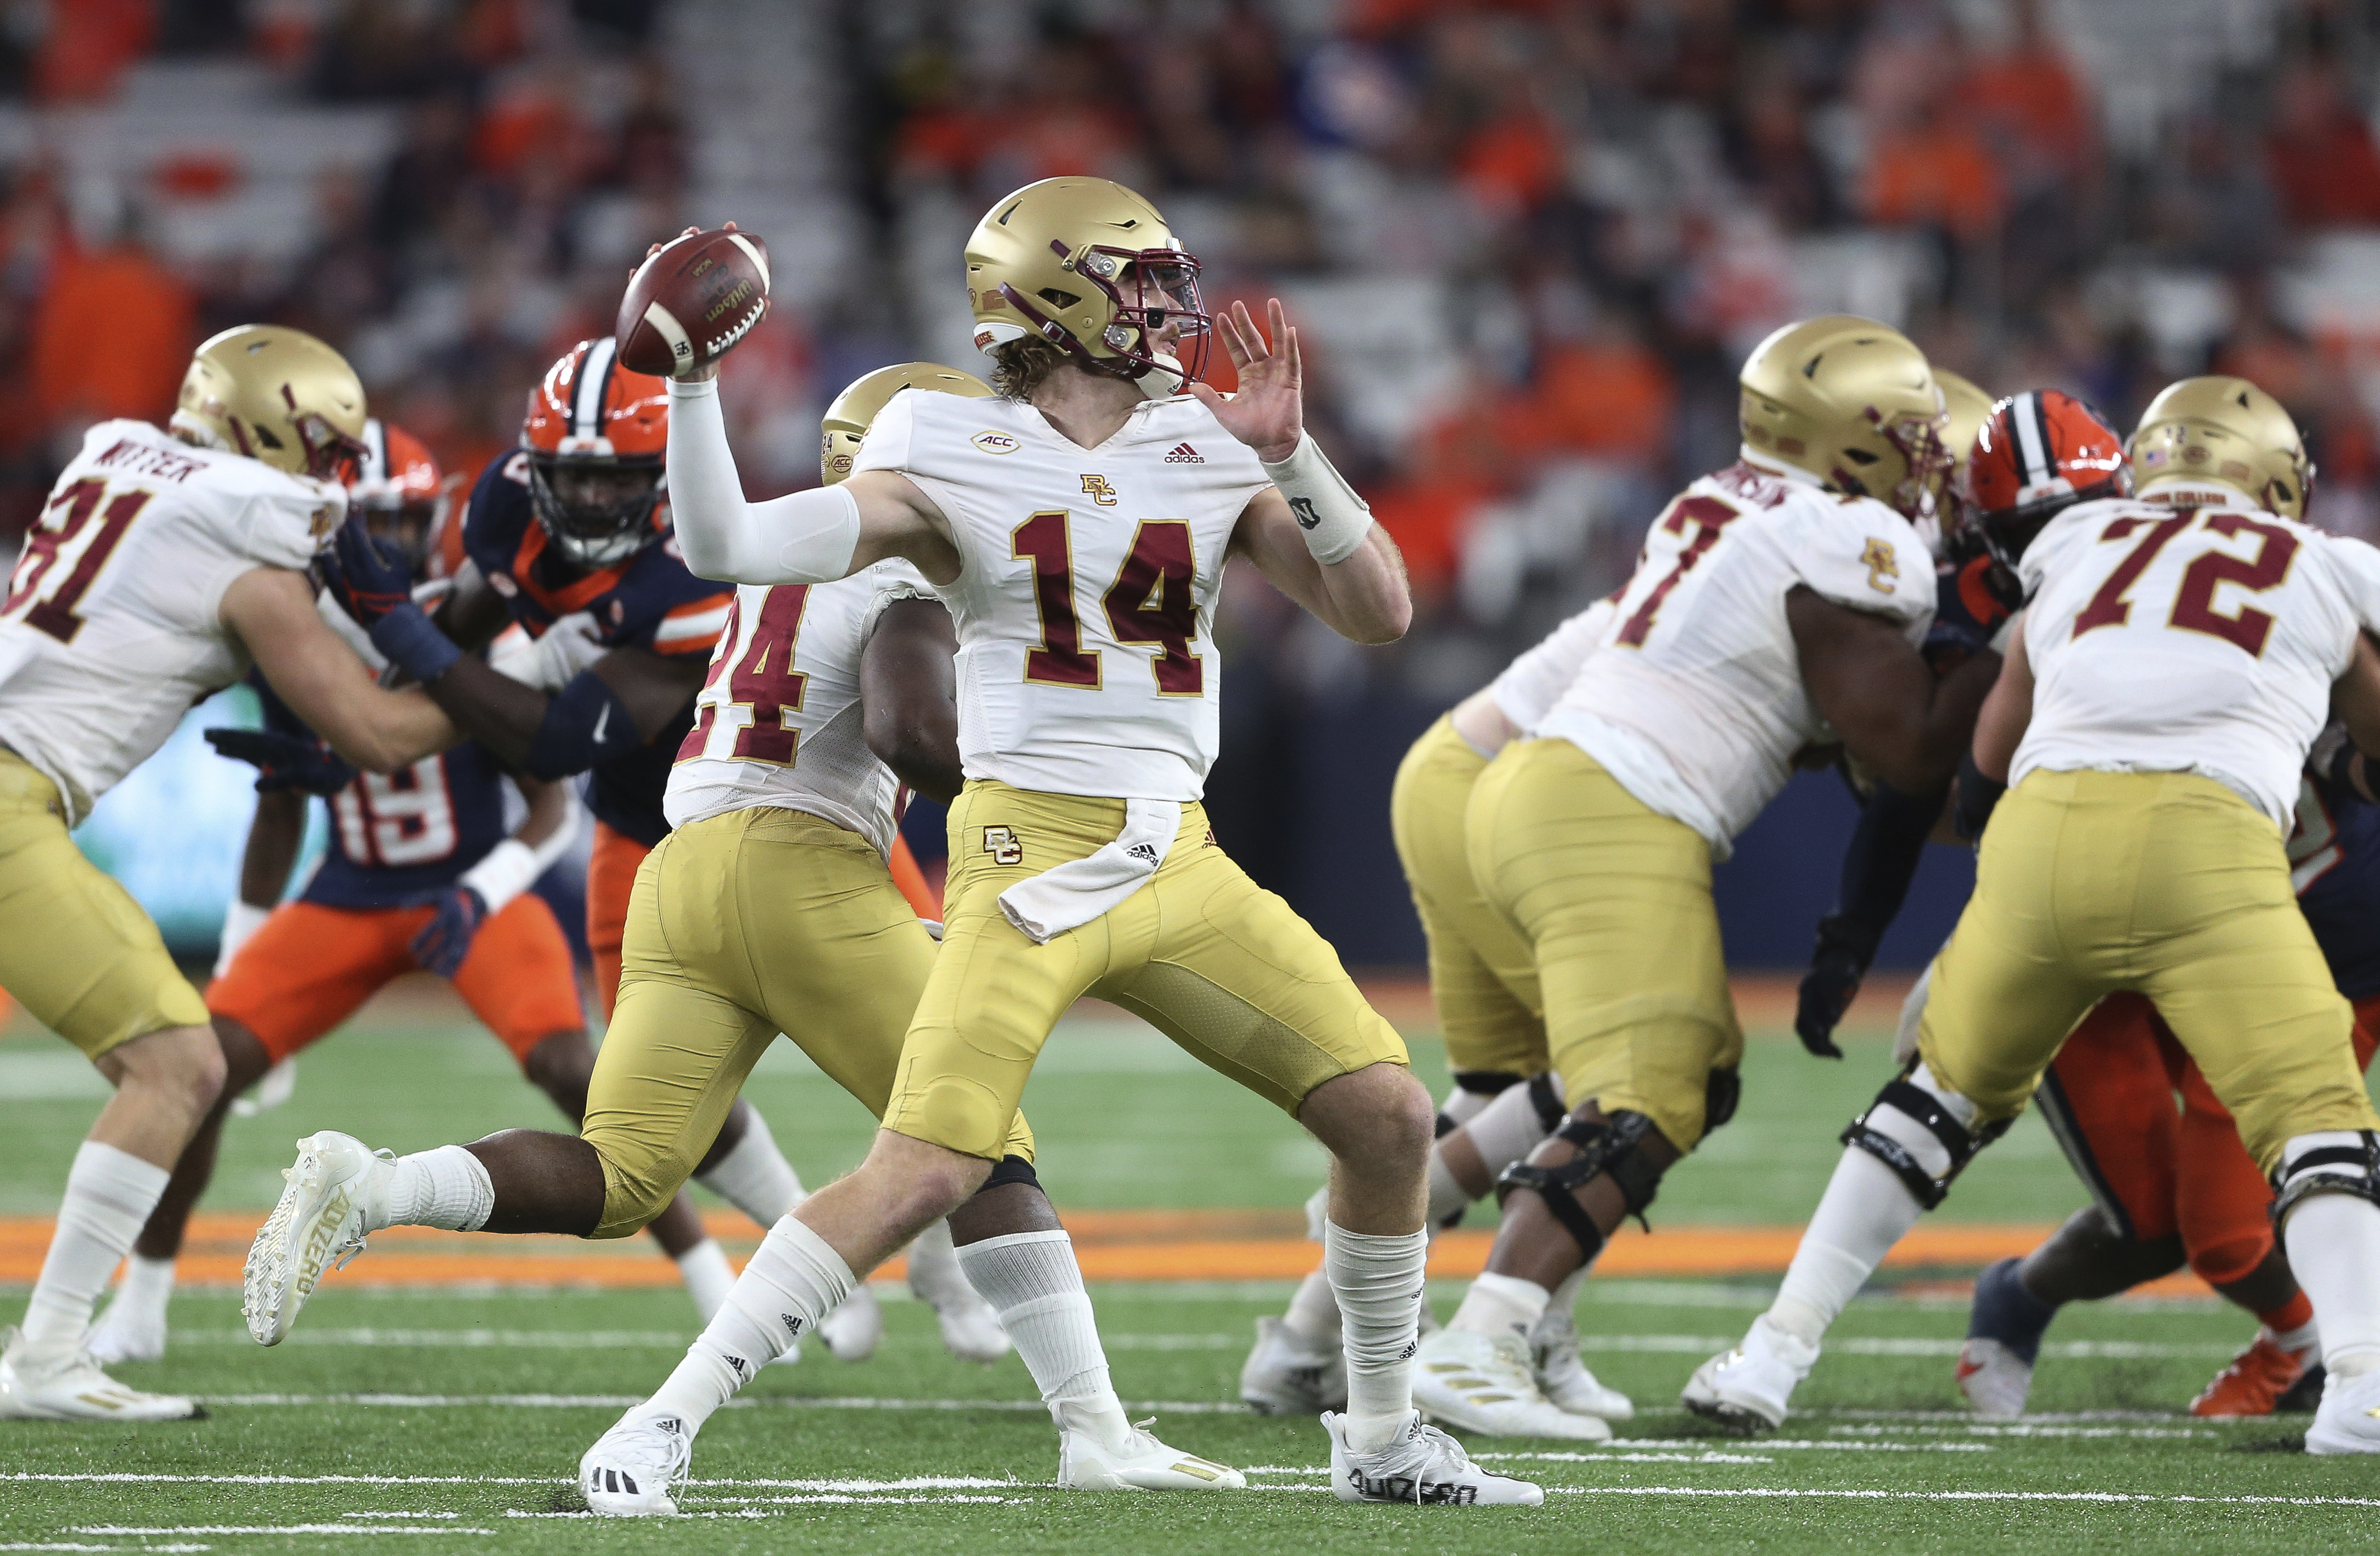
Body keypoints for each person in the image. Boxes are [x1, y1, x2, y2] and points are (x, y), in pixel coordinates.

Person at [571, 186, 1537, 1507]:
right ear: (1055, 295)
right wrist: (688, 390)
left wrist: (1289, 456)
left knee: (1385, 1115)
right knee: (926, 1169)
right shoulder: (943, 438)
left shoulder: (1205, 442)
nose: (1166, 308)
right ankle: (660, 1422)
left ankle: (1376, 1438)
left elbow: (1377, 612)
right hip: (1030, 850)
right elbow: (722, 543)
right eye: (1136, 283)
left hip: (1178, 854)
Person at [242, 359, 1244, 1508]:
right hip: (801, 867)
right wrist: (1039, 793)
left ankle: (374, 1186)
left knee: (621, 1175)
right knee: (981, 1144)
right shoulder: (902, 565)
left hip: (680, 874)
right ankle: (1083, 1429)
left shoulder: (773, 570)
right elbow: (909, 724)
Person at [1683, 377, 2380, 1458]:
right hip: (2208, 842)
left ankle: (1771, 1352)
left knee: (1931, 1105)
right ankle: (2360, 1385)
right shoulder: (2332, 564)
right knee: (2313, 1120)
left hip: (2045, 836)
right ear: (2274, 480)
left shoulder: (2076, 542)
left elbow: (1984, 762)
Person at [1407, 316, 1999, 1439]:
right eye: (1911, 434)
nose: (1929, 457)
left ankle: (1453, 1316)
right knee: (1646, 1090)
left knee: (1678, 1074)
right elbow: (1910, 749)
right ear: (1853, 443)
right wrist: (2001, 635)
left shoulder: (1727, 497)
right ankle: (1480, 1338)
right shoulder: (1845, 535)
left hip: (1550, 783)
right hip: (1611, 801)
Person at [363, 340, 998, 1357]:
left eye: (616, 475)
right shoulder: (508, 509)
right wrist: (406, 644)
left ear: (668, 469)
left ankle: (926, 1256)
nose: (588, 500)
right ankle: (859, 1268)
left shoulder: (706, 557)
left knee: (905, 1076)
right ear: (531, 466)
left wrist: (403, 635)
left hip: (774, 810)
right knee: (731, 1089)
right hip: (670, 819)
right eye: (568, 474)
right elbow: (485, 621)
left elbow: (552, 735)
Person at [80, 421, 739, 1362]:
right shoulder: (287, 628)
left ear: (439, 519)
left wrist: (478, 893)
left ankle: (708, 1273)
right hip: (347, 892)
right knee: (205, 1059)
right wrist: (240, 960)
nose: (388, 549)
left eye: (404, 524)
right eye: (372, 528)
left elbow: (546, 807)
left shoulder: (483, 630)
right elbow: (279, 813)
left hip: (469, 894)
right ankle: (140, 1304)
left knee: (576, 1072)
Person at [0, 325, 454, 1419]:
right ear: (268, 432)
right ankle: (51, 1354)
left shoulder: (117, 456)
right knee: (178, 1068)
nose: (337, 475)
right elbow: (379, 733)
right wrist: (534, 705)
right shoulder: (246, 535)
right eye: (326, 446)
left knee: (162, 1067)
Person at [1239, 592, 1624, 1429]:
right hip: (1520, 790)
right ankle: (1524, 1327)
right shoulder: (1798, 550)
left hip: (1456, 765)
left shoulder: (1724, 541)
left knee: (1504, 1087)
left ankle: (1307, 1334)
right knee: (1622, 1072)